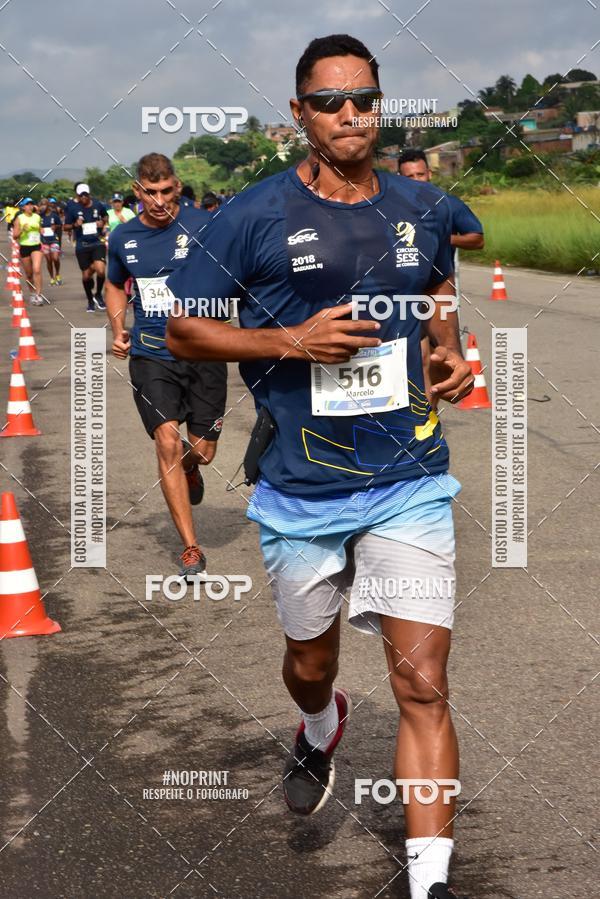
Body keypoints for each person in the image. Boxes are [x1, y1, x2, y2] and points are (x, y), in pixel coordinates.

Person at [167, 33, 473, 899]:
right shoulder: (252, 214)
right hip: (301, 486)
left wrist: (451, 357)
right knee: (312, 659)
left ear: (382, 105)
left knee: (423, 683)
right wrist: (286, 340)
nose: (350, 114)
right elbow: (184, 328)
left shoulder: (422, 205)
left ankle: (430, 883)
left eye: (364, 99)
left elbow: (437, 303)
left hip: (408, 479)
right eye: (330, 101)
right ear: (298, 112)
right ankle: (318, 719)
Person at [105, 152, 228, 579]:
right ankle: (191, 548)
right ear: (138, 191)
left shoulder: (204, 227)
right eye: (150, 192)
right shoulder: (123, 237)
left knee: (200, 451)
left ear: (177, 187)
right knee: (167, 442)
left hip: (203, 352)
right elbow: (114, 284)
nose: (159, 200)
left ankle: (193, 469)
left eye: (166, 191)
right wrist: (119, 328)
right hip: (151, 352)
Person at [398, 148, 484, 404]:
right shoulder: (388, 208)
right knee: (416, 353)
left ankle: (429, 411)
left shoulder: (446, 203)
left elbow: (477, 239)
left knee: (437, 353)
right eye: (409, 176)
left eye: (420, 174)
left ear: (429, 173)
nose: (416, 181)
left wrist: (437, 238)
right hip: (403, 294)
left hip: (439, 291)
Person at [64, 183, 108, 312]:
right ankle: (90, 300)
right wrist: (74, 224)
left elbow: (105, 215)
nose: (83, 197)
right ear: (77, 196)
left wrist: (103, 222)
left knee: (100, 270)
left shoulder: (97, 204)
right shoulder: (72, 208)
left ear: (89, 194)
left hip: (97, 242)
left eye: (85, 194)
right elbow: (65, 227)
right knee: (86, 276)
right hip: (82, 245)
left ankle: (99, 294)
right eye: (81, 195)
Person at [12, 198, 44, 305]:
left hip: (36, 246)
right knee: (29, 274)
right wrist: (22, 230)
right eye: (27, 204)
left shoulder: (37, 217)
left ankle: (39, 295)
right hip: (25, 247)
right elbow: (15, 236)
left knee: (37, 269)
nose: (30, 206)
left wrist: (42, 231)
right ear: (23, 207)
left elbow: (40, 229)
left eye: (31, 204)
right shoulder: (19, 219)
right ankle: (32, 293)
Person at [38, 198, 62, 285]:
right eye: (42, 204)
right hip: (44, 241)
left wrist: (55, 226)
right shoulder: (39, 216)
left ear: (48, 205)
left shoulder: (54, 215)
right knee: (48, 260)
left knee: (55, 258)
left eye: (45, 204)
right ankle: (52, 278)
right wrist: (39, 229)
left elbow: (60, 225)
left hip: (54, 239)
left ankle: (58, 274)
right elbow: (36, 226)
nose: (43, 206)